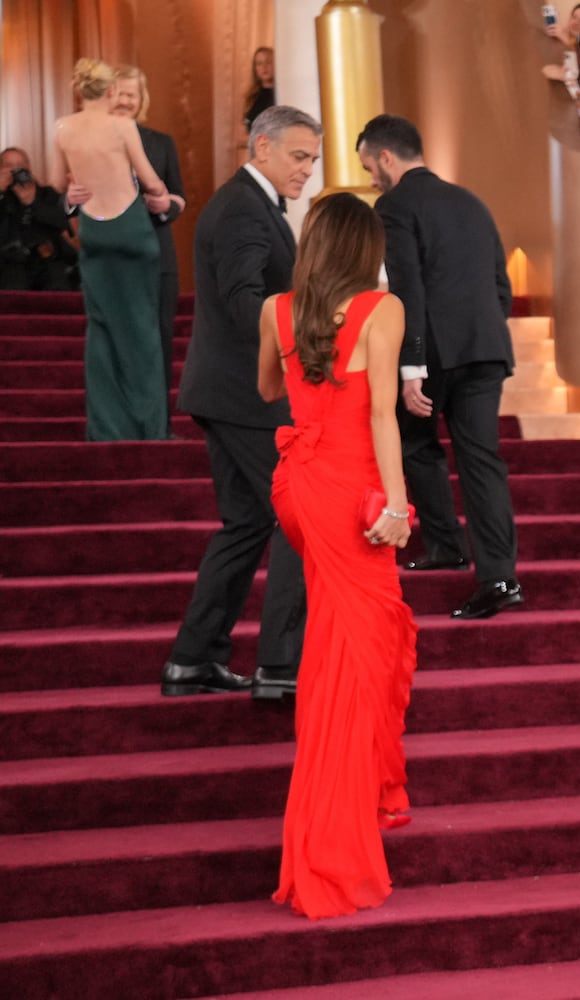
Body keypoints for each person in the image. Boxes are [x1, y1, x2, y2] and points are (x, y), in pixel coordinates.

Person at [258, 192, 419, 920]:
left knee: (341, 641)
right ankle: (336, 844)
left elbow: (269, 389)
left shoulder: (277, 309)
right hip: (353, 490)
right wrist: (394, 503)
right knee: (357, 654)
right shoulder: (383, 310)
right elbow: (384, 412)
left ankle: (338, 817)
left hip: (299, 488)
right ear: (366, 246)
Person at [166, 105, 322, 700]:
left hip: (226, 389)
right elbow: (244, 301)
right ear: (261, 147)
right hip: (247, 394)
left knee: (247, 523)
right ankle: (281, 668)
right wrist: (308, 344)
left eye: (312, 158)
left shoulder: (249, 205)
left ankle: (193, 660)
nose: (307, 169)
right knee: (297, 516)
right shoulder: (241, 208)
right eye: (298, 156)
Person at [356, 115, 523, 620]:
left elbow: (407, 287)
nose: (369, 179)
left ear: (387, 158)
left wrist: (412, 369)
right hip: (486, 347)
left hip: (434, 356)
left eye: (369, 167)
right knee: (481, 461)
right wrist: (485, 332)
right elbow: (501, 285)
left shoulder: (394, 204)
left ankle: (448, 544)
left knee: (410, 440)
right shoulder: (471, 201)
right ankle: (497, 575)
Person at [52, 58, 170, 442]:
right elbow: (151, 182)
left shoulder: (63, 128)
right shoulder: (122, 126)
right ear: (112, 92)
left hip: (94, 232)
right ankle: (150, 429)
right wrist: (164, 197)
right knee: (142, 332)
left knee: (100, 331)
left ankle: (105, 429)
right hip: (132, 233)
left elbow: (58, 183)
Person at [68, 66, 187, 417]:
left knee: (157, 340)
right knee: (108, 342)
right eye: (118, 93)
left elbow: (178, 197)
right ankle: (117, 420)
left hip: (156, 253)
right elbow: (71, 196)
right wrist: (70, 198)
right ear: (105, 95)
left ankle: (156, 422)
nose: (123, 101)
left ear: (141, 100)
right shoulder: (84, 140)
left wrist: (165, 206)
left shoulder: (161, 143)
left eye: (131, 95)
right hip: (107, 256)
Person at [0, 147, 77, 291]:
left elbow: (62, 223)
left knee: (58, 283)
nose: (15, 171)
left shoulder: (47, 194)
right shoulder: (3, 198)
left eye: (20, 166)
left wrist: (33, 203)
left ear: (28, 168)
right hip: (9, 263)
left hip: (46, 260)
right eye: (9, 166)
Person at [541, 4, 580, 86]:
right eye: (574, 17)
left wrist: (567, 40)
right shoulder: (564, 37)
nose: (576, 23)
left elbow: (579, 66)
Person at [243, 46, 275, 132]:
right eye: (259, 63)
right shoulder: (252, 96)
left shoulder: (283, 94)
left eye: (268, 62)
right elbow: (246, 125)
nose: (264, 67)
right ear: (255, 69)